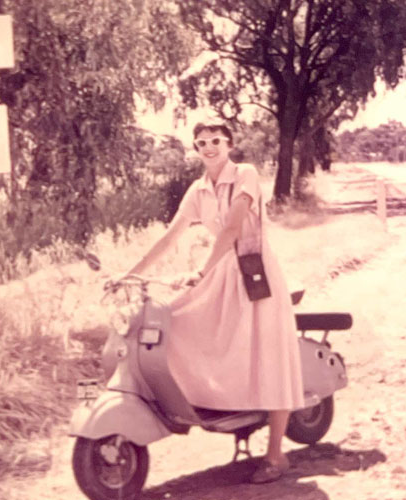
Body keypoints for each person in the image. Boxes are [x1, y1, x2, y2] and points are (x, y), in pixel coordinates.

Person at [124, 122, 304, 484]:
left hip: (255, 274)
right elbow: (171, 234)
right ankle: (207, 406)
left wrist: (203, 271)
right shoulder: (198, 190)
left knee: (270, 358)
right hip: (221, 273)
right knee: (174, 322)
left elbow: (233, 228)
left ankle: (274, 456)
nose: (209, 147)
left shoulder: (246, 175)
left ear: (229, 144)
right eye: (202, 143)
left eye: (216, 141)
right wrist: (130, 272)